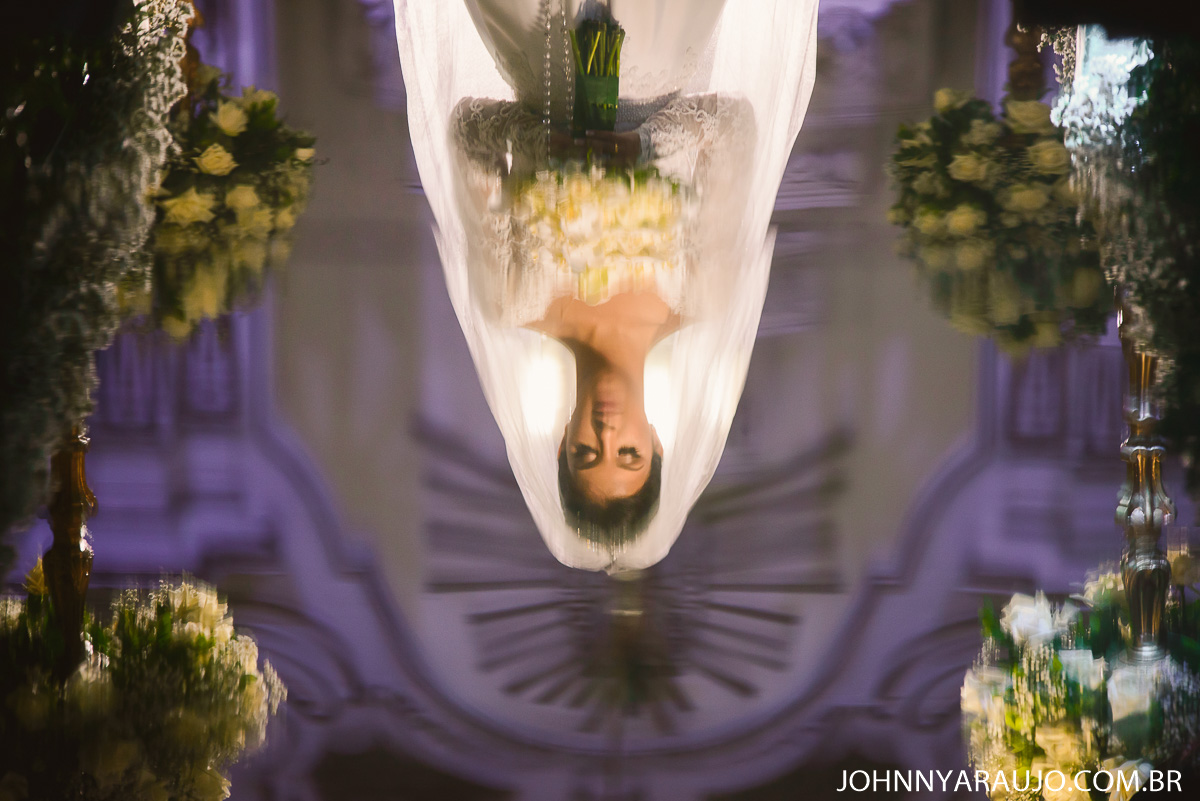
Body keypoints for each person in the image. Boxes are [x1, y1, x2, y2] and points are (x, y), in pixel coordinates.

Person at [395, 0, 819, 572]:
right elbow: (734, 125)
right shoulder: (703, 293)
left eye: (588, 452)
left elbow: (467, 130)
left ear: (564, 441)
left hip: (538, 45)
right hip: (664, 37)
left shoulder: (510, 297)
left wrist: (548, 151)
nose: (606, 428)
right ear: (657, 445)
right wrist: (646, 150)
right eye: (628, 453)